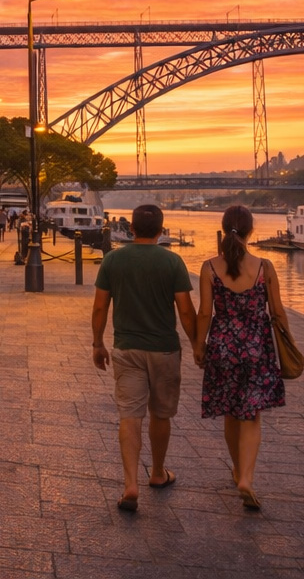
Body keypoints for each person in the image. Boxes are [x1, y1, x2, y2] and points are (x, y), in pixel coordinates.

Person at [91, 204, 197, 514]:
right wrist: (196, 344)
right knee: (161, 414)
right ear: (161, 231)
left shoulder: (113, 260)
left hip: (127, 349)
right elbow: (186, 310)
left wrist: (98, 343)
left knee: (130, 415)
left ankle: (130, 484)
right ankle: (158, 473)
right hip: (164, 349)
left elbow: (100, 307)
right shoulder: (172, 261)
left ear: (131, 229)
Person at [194, 205, 287, 512]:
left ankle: (237, 471)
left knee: (230, 413)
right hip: (257, 348)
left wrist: (199, 345)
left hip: (222, 347)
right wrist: (289, 346)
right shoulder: (265, 267)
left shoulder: (209, 268)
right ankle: (246, 477)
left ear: (224, 228)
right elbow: (277, 312)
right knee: (251, 415)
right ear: (250, 231)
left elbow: (204, 312)